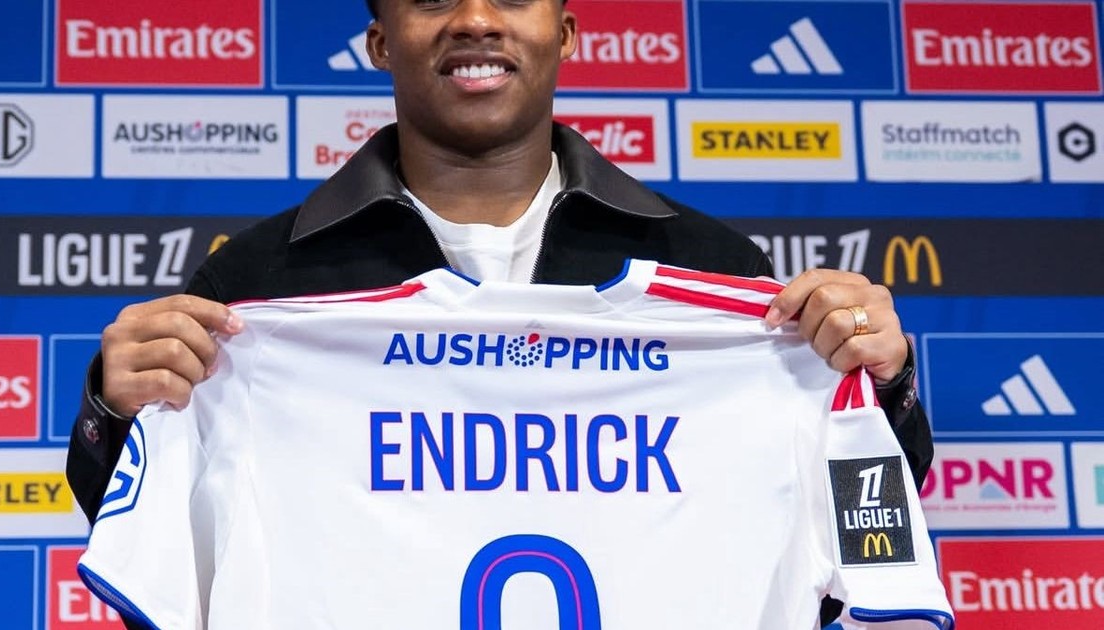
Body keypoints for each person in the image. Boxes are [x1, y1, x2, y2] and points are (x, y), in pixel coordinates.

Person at [66, 0, 931, 625]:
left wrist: (878, 389)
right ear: (380, 40)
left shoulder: (717, 277)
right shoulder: (258, 287)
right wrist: (116, 409)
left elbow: (850, 534)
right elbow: (163, 537)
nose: (476, 19)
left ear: (565, 31)